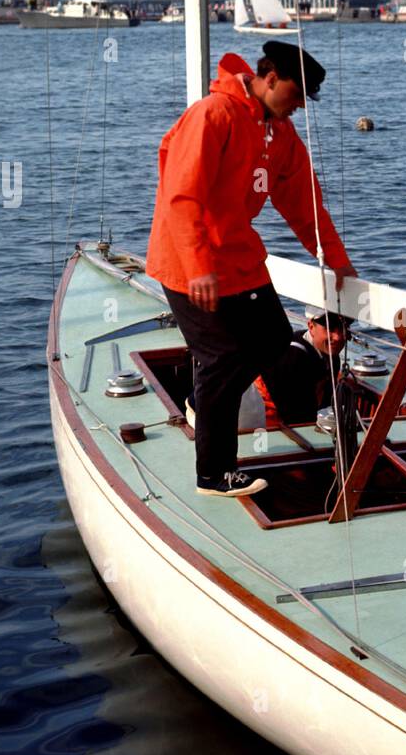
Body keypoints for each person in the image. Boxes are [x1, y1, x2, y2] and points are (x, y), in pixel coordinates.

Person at [146, 40, 355, 497]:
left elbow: (304, 203)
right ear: (271, 78)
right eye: (296, 96)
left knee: (275, 342)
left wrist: (337, 261)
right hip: (188, 261)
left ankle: (203, 401)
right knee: (222, 357)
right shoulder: (213, 114)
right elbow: (182, 196)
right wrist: (199, 266)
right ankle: (213, 474)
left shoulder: (279, 133)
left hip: (240, 258)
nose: (299, 108)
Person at [257, 307, 349, 425]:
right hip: (270, 423)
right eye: (329, 328)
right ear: (311, 327)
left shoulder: (330, 353)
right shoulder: (291, 358)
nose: (338, 337)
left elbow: (326, 405)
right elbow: (296, 419)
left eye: (343, 328)